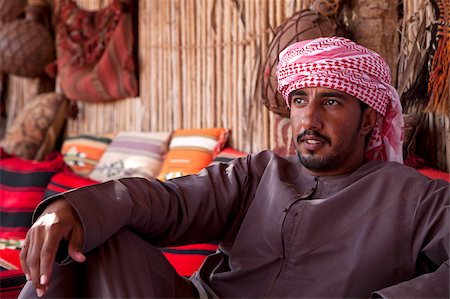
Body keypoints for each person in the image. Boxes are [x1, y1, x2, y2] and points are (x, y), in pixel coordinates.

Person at [19, 36, 449, 298]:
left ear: (370, 118)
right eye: (300, 101)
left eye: (331, 102)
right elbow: (170, 202)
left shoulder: (414, 197)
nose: (309, 121)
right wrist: (68, 210)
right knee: (88, 234)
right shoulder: (260, 172)